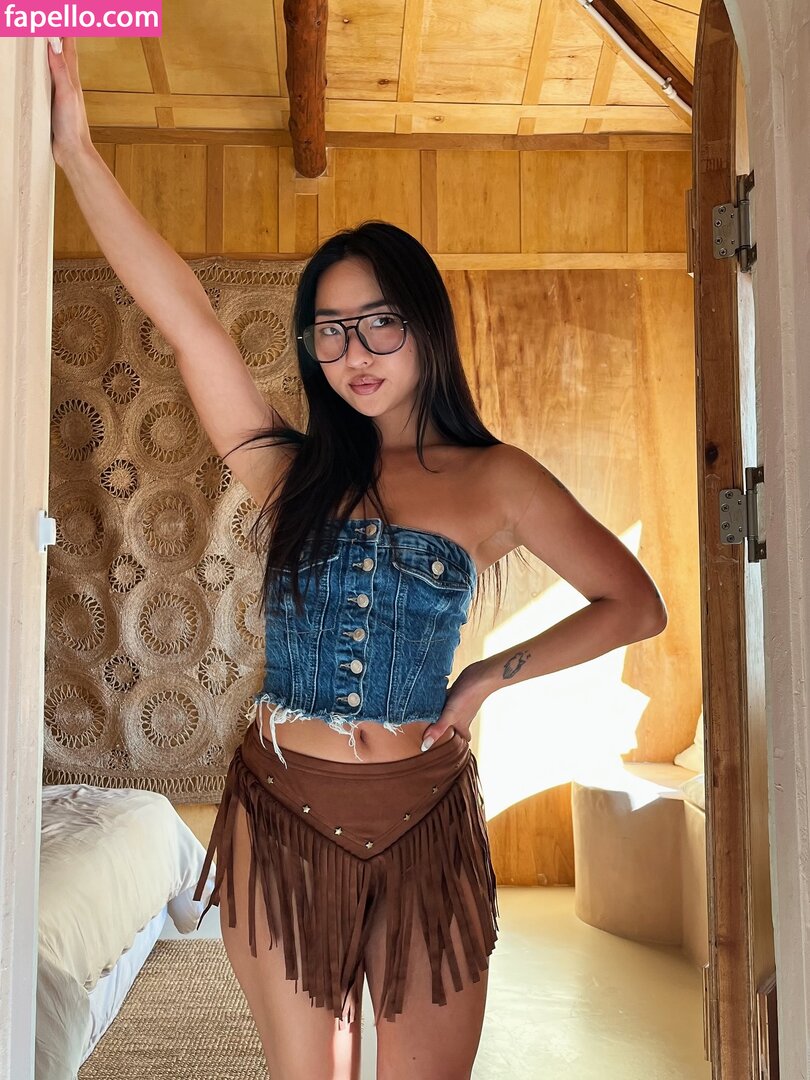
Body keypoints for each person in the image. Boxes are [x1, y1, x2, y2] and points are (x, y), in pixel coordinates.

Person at [48, 35, 668, 1080]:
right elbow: (188, 322)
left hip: (428, 819)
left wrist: (484, 678)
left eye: (379, 323)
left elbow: (632, 603)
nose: (354, 353)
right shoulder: (291, 473)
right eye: (329, 331)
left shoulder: (499, 479)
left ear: (424, 326)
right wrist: (76, 150)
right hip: (283, 814)